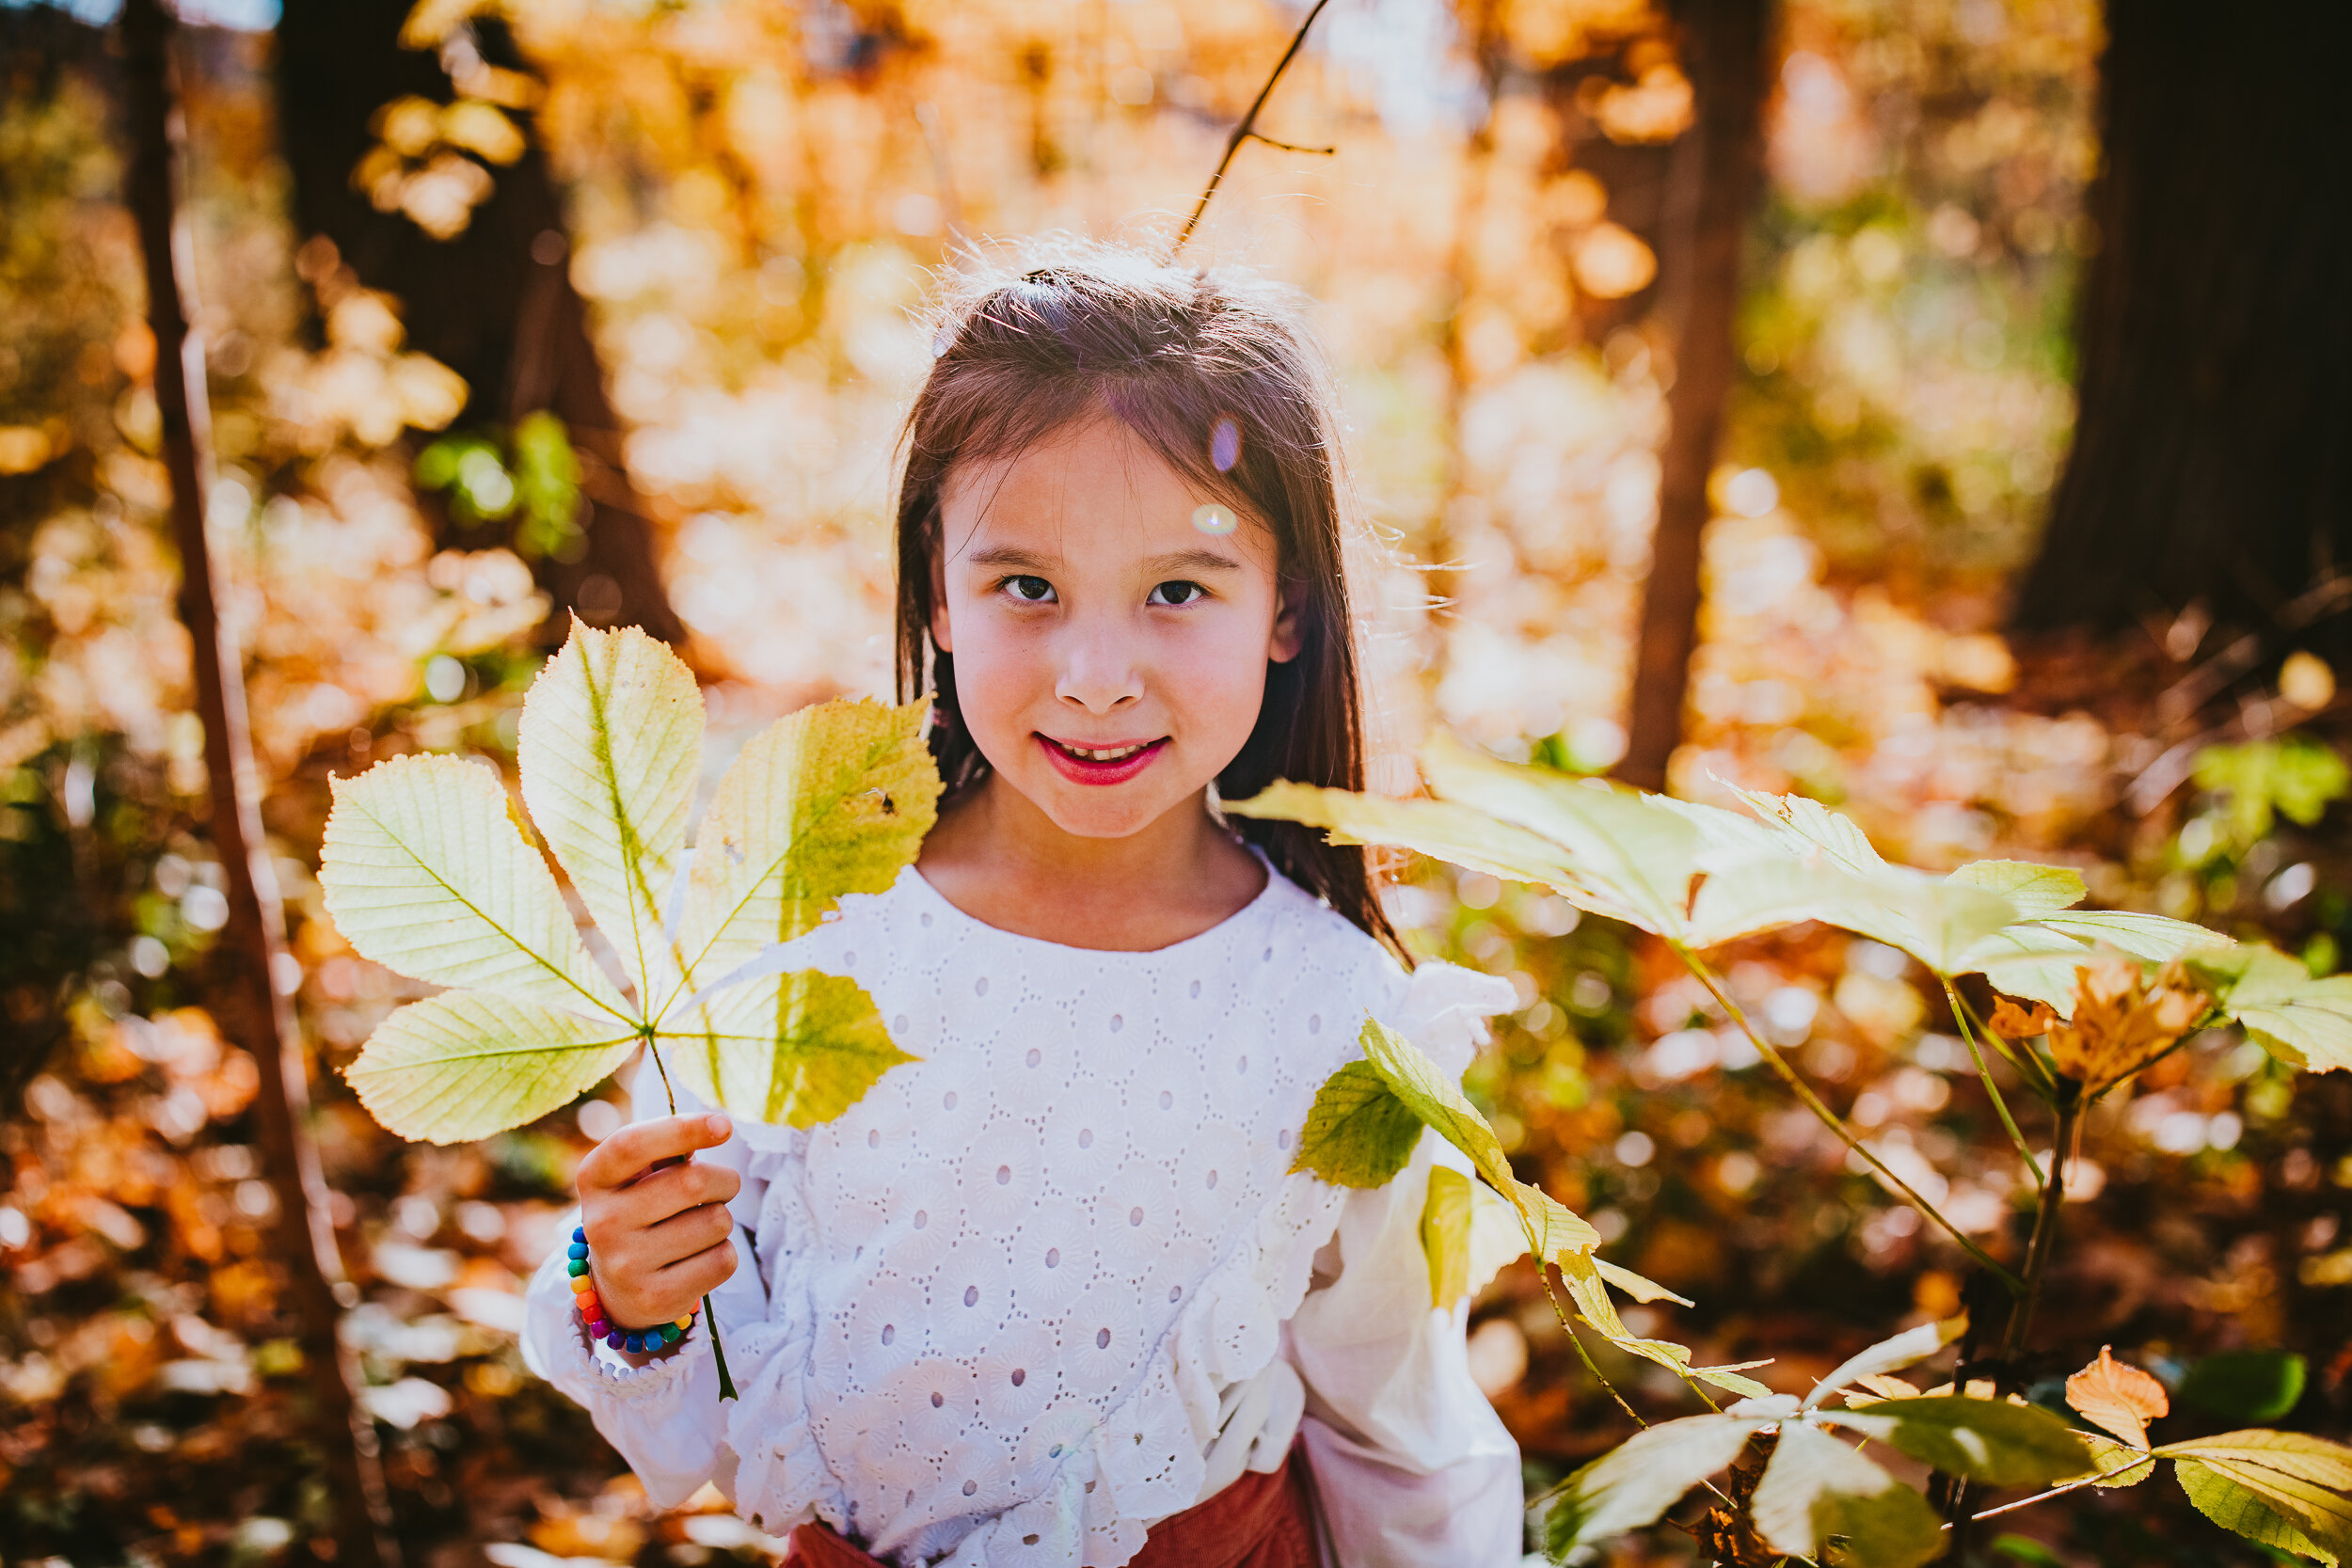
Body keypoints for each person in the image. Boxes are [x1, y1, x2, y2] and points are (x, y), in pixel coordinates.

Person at [521, 241, 1523, 1568]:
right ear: (938, 590)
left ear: (1288, 606)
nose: (1097, 675)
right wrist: (629, 1293)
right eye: (1027, 588)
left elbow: (1400, 1427)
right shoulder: (805, 921)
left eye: (1179, 589)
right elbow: (692, 1358)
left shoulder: (1340, 1019)